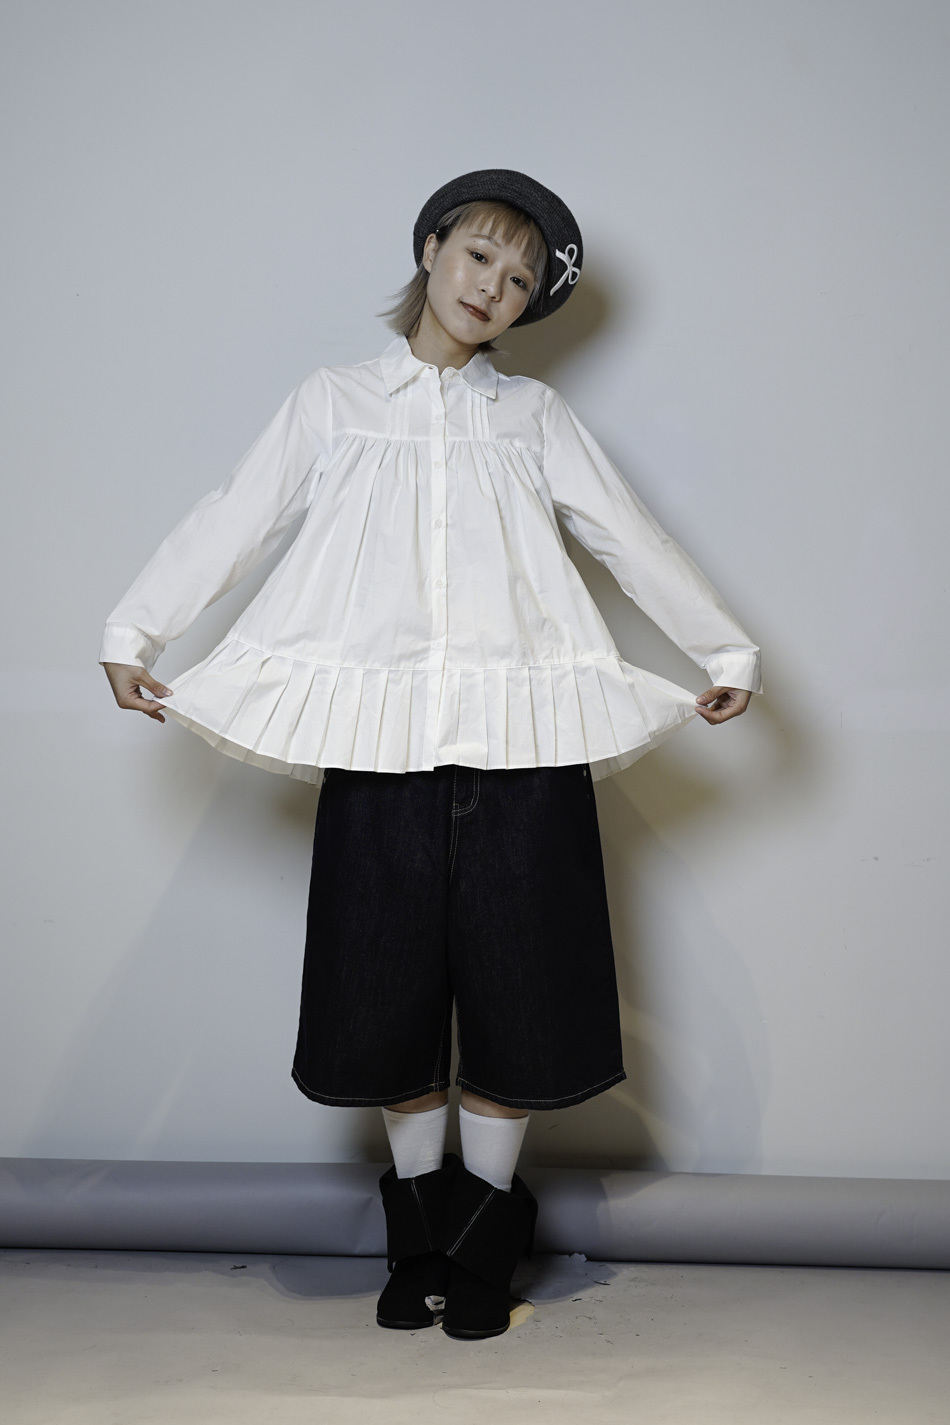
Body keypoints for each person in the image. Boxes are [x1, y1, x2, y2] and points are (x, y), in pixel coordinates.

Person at [100, 168, 761, 1342]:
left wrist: (722, 646)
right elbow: (234, 513)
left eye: (518, 280)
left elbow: (625, 534)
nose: (491, 287)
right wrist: (133, 631)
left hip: (523, 744)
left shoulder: (534, 420)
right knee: (382, 991)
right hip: (381, 744)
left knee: (521, 989)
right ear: (430, 249)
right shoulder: (333, 403)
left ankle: (481, 1241)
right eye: (478, 256)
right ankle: (417, 1244)